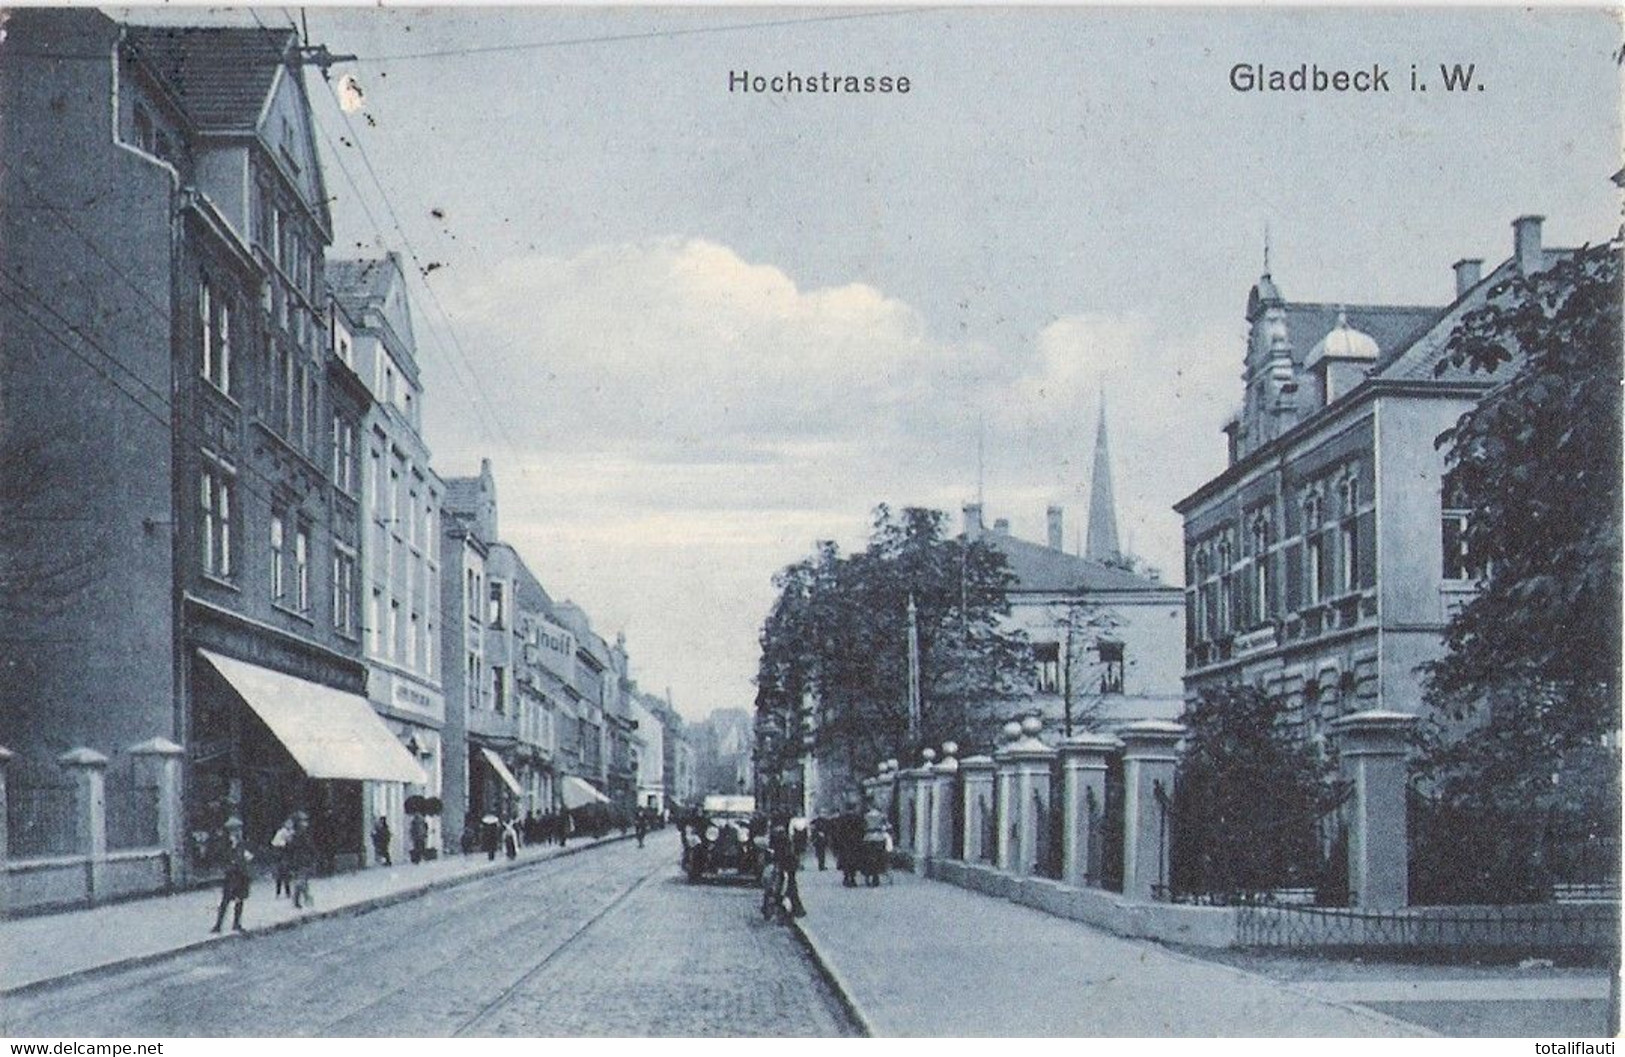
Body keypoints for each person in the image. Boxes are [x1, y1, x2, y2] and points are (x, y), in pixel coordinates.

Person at [210, 816, 252, 933]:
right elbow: (221, 855)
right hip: (231, 875)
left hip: (242, 874)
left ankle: (237, 923)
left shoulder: (243, 842)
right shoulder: (225, 843)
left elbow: (247, 854)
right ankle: (218, 925)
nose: (238, 832)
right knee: (225, 900)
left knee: (240, 899)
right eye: (235, 830)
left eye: (239, 829)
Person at [288, 811, 315, 909]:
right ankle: (306, 898)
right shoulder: (297, 835)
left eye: (306, 821)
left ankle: (297, 900)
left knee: (303, 880)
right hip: (299, 860)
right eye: (303, 821)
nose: (305, 823)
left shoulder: (305, 834)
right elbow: (292, 849)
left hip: (305, 860)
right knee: (301, 881)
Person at [861, 802, 890, 887]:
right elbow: (887, 826)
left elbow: (864, 827)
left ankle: (868, 876)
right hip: (879, 838)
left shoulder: (866, 816)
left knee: (869, 857)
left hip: (868, 838)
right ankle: (876, 876)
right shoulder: (882, 816)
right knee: (879, 857)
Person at [270, 816, 295, 897]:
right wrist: (284, 843)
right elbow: (275, 843)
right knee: (281, 875)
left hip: (288, 855)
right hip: (281, 855)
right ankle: (279, 892)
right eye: (288, 824)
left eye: (291, 824)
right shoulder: (281, 832)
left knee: (286, 875)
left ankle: (287, 892)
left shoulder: (292, 832)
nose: (290, 825)